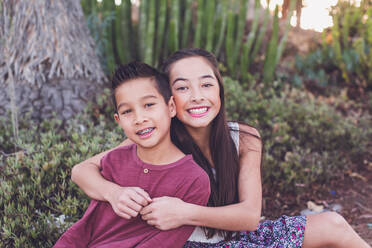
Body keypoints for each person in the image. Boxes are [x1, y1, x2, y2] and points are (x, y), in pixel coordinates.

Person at [71, 49, 370, 248]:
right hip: (184, 244)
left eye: (206, 85)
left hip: (238, 236)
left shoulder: (245, 138)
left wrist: (183, 212)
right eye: (183, 87)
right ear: (169, 101)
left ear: (219, 90)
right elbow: (82, 170)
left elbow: (250, 216)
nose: (197, 97)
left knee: (333, 223)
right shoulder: (157, 138)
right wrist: (114, 193)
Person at [54, 62, 210, 248]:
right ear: (118, 121)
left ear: (171, 107)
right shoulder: (114, 161)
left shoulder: (194, 180)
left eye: (149, 105)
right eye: (128, 111)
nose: (139, 119)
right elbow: (86, 228)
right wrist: (114, 192)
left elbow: (164, 243)